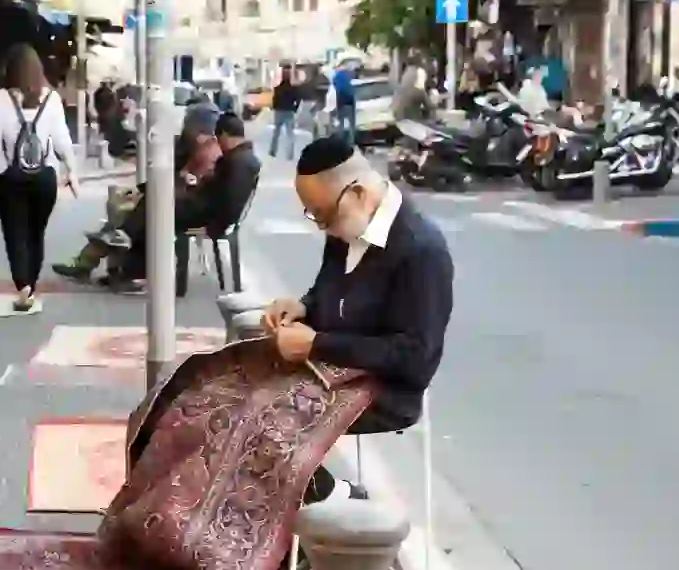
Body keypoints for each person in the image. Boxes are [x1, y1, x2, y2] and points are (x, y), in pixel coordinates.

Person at [262, 136, 454, 507]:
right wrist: (302, 308)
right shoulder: (345, 227)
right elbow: (327, 294)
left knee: (267, 424)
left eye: (322, 214)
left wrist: (316, 344)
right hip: (331, 369)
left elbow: (415, 359)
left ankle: (338, 502)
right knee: (229, 397)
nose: (321, 226)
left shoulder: (421, 250)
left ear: (358, 194)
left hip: (386, 390)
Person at [50, 103, 223, 284]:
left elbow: (193, 185)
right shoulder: (194, 150)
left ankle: (104, 264)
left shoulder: (210, 154)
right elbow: (172, 177)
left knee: (130, 215)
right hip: (176, 200)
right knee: (123, 210)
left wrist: (183, 181)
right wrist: (142, 189)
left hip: (185, 207)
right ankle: (103, 262)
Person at [110, 112, 260, 293]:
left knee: (155, 208)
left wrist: (215, 227)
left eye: (219, 139)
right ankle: (130, 263)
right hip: (203, 206)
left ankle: (130, 255)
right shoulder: (240, 158)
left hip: (204, 213)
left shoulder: (239, 162)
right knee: (156, 200)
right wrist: (200, 183)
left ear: (226, 135)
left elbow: (231, 202)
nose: (218, 144)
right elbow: (222, 190)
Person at [0, 44, 80, 312]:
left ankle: (23, 285)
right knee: (36, 233)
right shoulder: (51, 99)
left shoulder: (0, 99)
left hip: (9, 177)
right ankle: (32, 284)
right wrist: (72, 170)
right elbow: (62, 139)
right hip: (44, 178)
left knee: (15, 233)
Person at [269, 68, 301, 159]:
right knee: (290, 134)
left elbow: (274, 100)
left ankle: (273, 151)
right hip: (289, 112)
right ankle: (289, 155)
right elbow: (298, 100)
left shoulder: (277, 88)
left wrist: (274, 108)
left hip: (279, 111)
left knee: (276, 132)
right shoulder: (294, 89)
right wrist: (295, 108)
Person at [330, 61, 358, 146]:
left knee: (341, 123)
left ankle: (341, 141)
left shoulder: (336, 77)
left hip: (340, 102)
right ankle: (351, 141)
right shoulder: (349, 75)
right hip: (350, 102)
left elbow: (334, 89)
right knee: (352, 124)